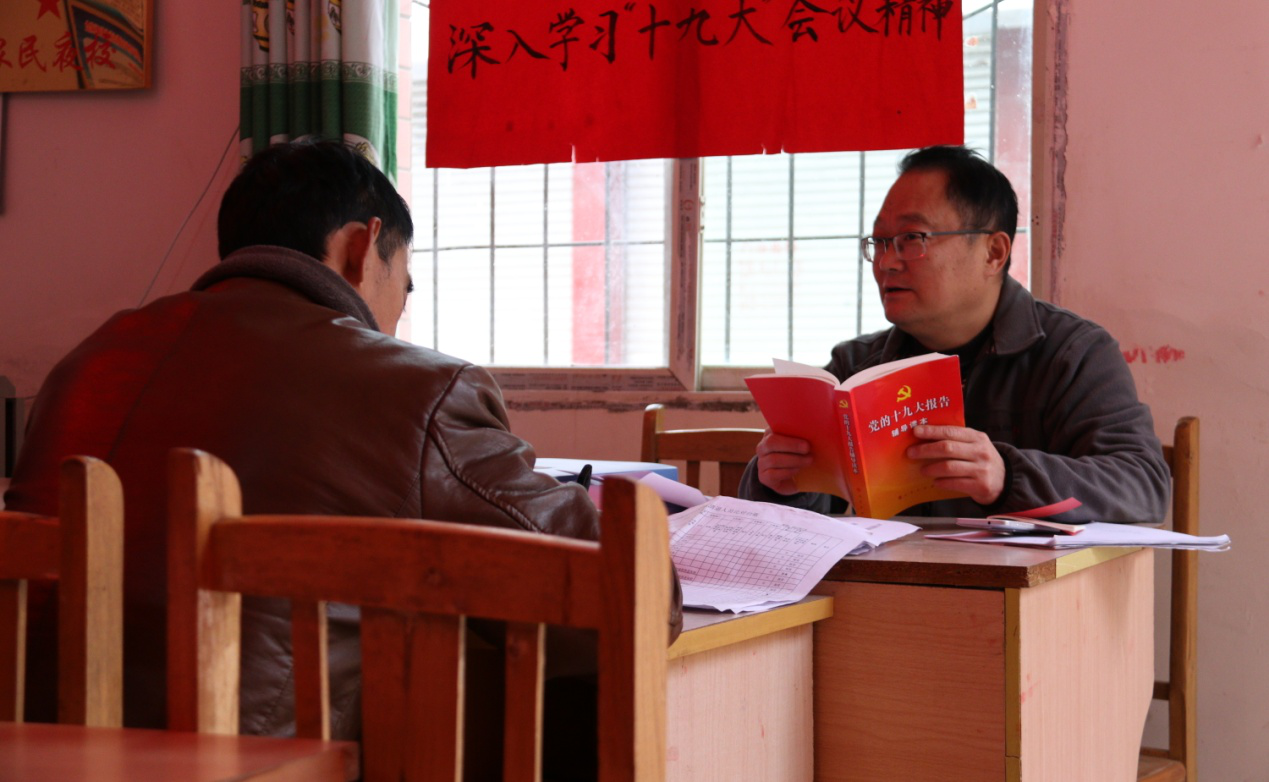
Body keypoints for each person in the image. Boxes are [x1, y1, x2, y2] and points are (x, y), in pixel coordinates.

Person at [5, 142, 680, 764]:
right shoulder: (416, 391)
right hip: (259, 768)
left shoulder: (87, 362)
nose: (396, 317)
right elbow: (624, 603)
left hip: (40, 755)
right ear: (362, 246)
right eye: (403, 287)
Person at [739, 145, 1169, 523]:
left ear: (993, 252)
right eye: (881, 241)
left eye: (912, 238)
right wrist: (780, 483)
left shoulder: (1071, 354)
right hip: (892, 584)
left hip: (1028, 587)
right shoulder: (857, 368)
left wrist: (1006, 476)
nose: (886, 262)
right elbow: (791, 526)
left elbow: (1142, 486)